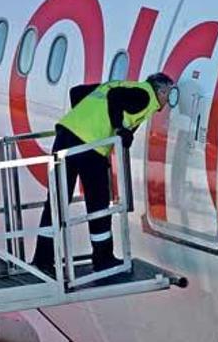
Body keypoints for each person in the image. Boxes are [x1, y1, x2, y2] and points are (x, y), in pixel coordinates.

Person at [31, 72, 175, 274]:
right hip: (90, 148)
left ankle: (41, 260)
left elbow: (77, 92)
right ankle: (103, 258)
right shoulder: (144, 96)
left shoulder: (126, 84)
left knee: (57, 202)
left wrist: (85, 122)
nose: (168, 102)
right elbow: (115, 97)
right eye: (169, 95)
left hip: (65, 137)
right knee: (98, 204)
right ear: (160, 90)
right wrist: (118, 129)